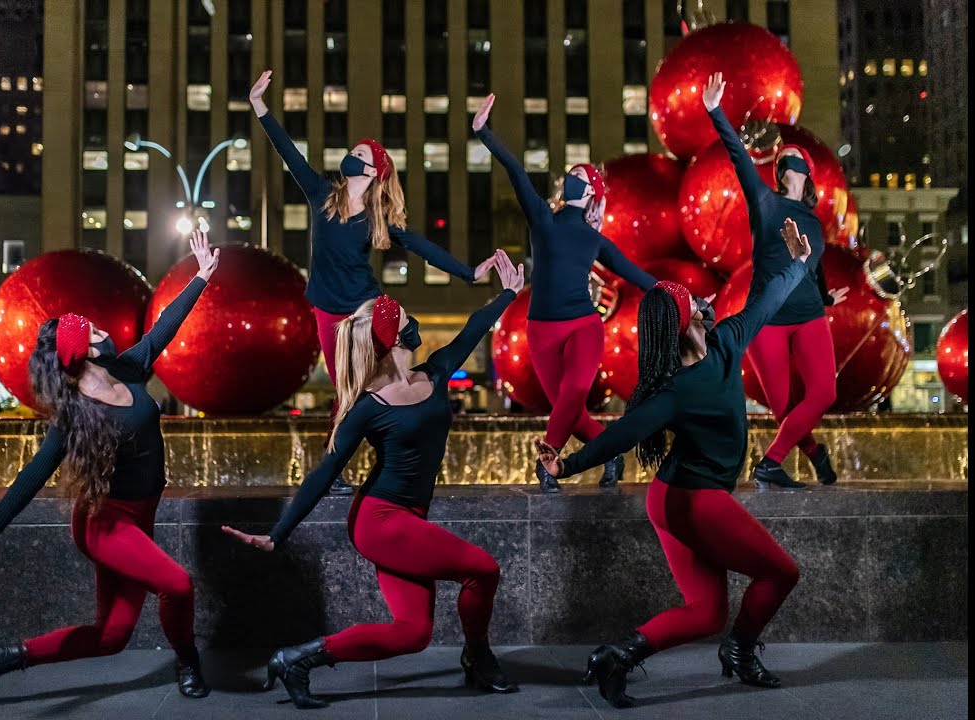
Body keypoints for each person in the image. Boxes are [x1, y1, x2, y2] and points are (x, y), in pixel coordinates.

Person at [222, 252, 527, 709]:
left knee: (413, 634)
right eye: (406, 317)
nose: (414, 320)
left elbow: (474, 326)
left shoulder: (436, 372)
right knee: (483, 569)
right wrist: (277, 536)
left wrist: (507, 294)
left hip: (408, 517)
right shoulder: (367, 407)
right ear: (395, 335)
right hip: (380, 520)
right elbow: (324, 473)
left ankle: (297, 660)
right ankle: (478, 656)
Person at [534, 216, 814, 708]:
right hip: (692, 499)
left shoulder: (728, 340)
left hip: (672, 496)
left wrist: (799, 262)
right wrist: (567, 466)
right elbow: (617, 437)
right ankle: (741, 652)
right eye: (693, 298)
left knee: (705, 612)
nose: (703, 299)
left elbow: (769, 298)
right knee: (781, 573)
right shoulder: (675, 389)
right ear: (690, 317)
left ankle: (616, 657)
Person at [0, 232, 220, 707]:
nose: (99, 328)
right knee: (177, 584)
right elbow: (36, 470)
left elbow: (165, 328)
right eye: (89, 329)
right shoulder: (75, 415)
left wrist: (201, 277)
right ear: (84, 352)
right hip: (105, 523)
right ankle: (188, 660)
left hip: (140, 513)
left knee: (111, 637)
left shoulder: (129, 368)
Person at [251, 69, 499, 494]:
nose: (350, 155)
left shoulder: (377, 218)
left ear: (372, 170)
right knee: (346, 392)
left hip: (366, 309)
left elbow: (422, 245)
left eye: (358, 153)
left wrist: (469, 271)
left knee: (392, 377)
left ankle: (410, 446)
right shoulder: (321, 194)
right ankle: (336, 471)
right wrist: (260, 107)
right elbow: (288, 153)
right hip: (329, 311)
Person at [472, 92, 659, 493]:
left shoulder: (594, 239)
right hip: (540, 329)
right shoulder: (542, 217)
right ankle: (611, 454)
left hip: (584, 326)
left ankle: (549, 461)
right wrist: (484, 132)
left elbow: (634, 274)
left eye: (583, 176)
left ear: (591, 193)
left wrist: (686, 299)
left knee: (573, 393)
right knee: (567, 409)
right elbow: (516, 171)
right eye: (573, 173)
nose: (575, 176)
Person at [703, 71, 849, 488]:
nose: (785, 164)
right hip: (766, 318)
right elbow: (738, 156)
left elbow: (813, 263)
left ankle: (770, 462)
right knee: (784, 408)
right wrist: (716, 112)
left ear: (805, 173)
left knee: (823, 393)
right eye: (781, 162)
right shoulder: (764, 202)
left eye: (792, 161)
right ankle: (817, 456)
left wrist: (825, 296)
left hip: (808, 314)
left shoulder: (815, 222)